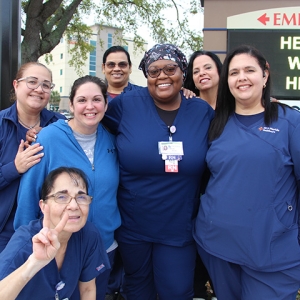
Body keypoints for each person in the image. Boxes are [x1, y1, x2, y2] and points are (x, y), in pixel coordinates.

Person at [102, 43, 214, 300]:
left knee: (176, 291)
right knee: (138, 290)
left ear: (182, 72)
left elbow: (234, 133)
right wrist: (46, 128)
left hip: (179, 227)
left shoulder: (200, 111)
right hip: (133, 226)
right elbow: (87, 121)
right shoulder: (126, 105)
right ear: (145, 75)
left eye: (170, 69)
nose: (162, 75)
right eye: (154, 71)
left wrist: (268, 108)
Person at [193, 44, 300, 299]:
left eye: (249, 70)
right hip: (217, 245)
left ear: (265, 75)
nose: (241, 77)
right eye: (234, 72)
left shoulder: (289, 123)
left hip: (272, 250)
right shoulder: (216, 123)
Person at [14, 75, 121, 300]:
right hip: (57, 249)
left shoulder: (112, 140)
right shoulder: (49, 138)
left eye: (97, 100)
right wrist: (25, 245)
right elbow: (29, 194)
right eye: (82, 100)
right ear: (71, 104)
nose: (90, 107)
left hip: (103, 247)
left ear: (106, 104)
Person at [0, 166, 109, 300]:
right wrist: (34, 263)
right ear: (43, 206)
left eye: (81, 197)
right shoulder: (24, 242)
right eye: (62, 197)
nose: (74, 205)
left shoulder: (89, 235)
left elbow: (87, 289)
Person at [0, 62, 65, 252]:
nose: (39, 89)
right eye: (32, 82)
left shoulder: (59, 125)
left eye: (46, 85)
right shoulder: (1, 125)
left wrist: (51, 135)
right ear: (16, 84)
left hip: (49, 227)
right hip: (6, 231)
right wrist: (14, 168)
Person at [185, 50, 222, 300]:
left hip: (224, 194)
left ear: (220, 71)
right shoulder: (186, 106)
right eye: (196, 71)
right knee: (194, 261)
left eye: (207, 68)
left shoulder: (238, 107)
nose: (202, 74)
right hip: (191, 194)